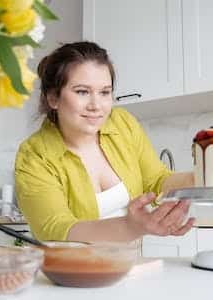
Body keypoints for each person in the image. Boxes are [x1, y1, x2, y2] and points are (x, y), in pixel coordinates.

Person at [15, 41, 194, 243]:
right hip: (71, 271)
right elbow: (55, 229)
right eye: (82, 91)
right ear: (53, 98)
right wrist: (130, 226)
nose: (96, 106)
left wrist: (204, 178)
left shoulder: (122, 123)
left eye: (104, 92)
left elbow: (157, 180)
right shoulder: (34, 155)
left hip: (127, 264)